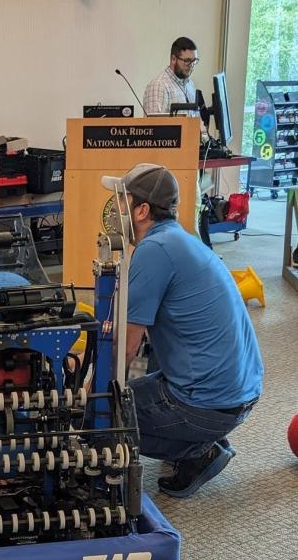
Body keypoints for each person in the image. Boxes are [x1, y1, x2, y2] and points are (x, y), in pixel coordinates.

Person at [101, 164, 263, 499]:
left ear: (142, 210)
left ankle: (198, 451)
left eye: (122, 202)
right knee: (130, 388)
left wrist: (88, 399)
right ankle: (203, 438)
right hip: (237, 392)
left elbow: (125, 349)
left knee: (101, 421)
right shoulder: (179, 239)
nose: (115, 211)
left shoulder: (154, 251)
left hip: (211, 402)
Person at [143, 37, 200, 116]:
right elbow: (154, 126)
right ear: (173, 59)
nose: (191, 66)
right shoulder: (159, 86)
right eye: (187, 61)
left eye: (194, 61)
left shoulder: (189, 84)